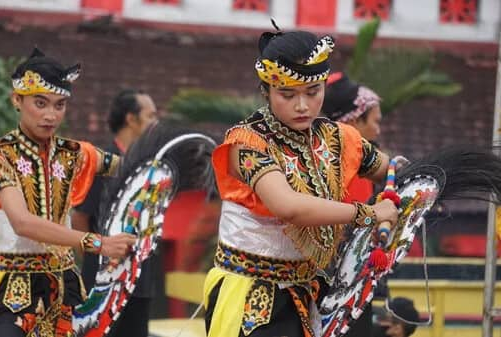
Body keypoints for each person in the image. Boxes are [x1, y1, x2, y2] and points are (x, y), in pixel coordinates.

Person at [203, 28, 398, 337]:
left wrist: (418, 185)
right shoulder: (247, 143)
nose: (303, 106)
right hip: (253, 299)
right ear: (266, 91)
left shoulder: (338, 138)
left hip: (309, 293)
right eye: (288, 94)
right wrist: (370, 213)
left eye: (313, 91)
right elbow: (288, 206)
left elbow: (393, 169)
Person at [0, 48, 137, 337]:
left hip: (66, 290)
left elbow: (130, 167)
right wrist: (99, 244)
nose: (51, 115)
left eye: (59, 105)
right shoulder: (0, 156)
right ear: (17, 100)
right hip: (17, 291)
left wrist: (168, 165)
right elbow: (23, 223)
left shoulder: (74, 154)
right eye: (41, 103)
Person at [72, 88, 158, 337]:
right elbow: (80, 218)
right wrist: (93, 261)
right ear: (131, 119)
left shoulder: (149, 166)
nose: (156, 123)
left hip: (139, 282)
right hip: (102, 283)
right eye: (151, 116)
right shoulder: (103, 163)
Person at [322, 72, 383, 203]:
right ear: (354, 122)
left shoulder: (325, 152)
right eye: (376, 121)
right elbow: (362, 218)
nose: (378, 131)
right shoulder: (355, 161)